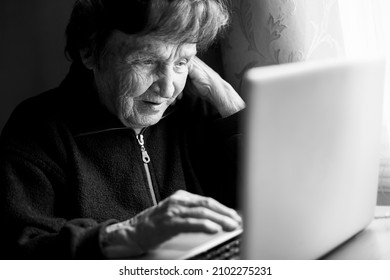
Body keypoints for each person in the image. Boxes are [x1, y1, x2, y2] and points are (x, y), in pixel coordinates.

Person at [0, 0, 245, 259]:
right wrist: (128, 235)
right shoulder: (36, 130)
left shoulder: (196, 112)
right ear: (90, 52)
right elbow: (17, 252)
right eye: (147, 60)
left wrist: (226, 98)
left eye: (182, 61)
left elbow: (276, 201)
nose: (168, 88)